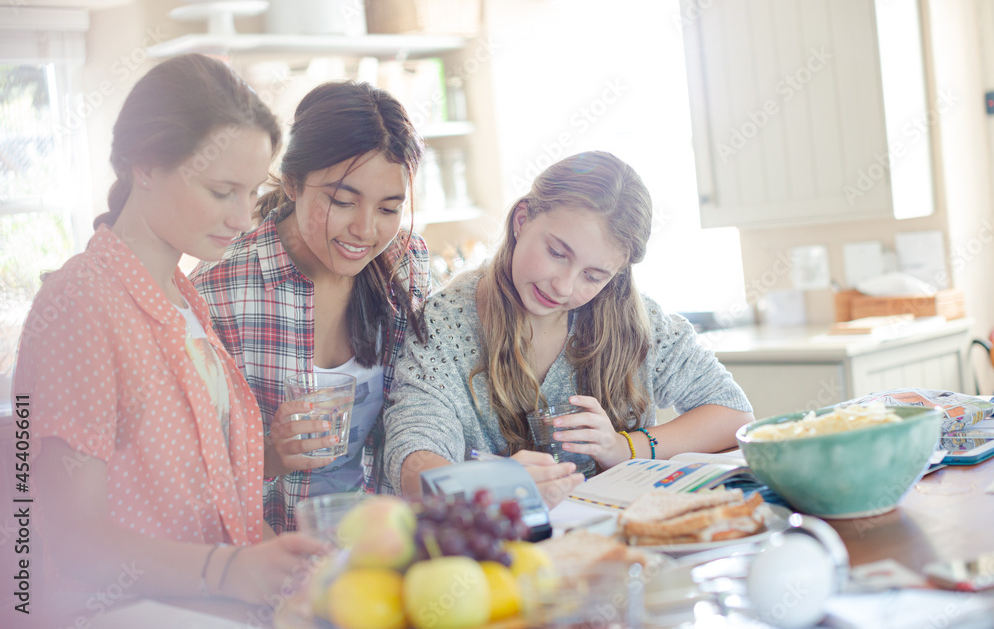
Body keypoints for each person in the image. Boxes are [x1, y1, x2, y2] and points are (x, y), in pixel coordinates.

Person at [11, 54, 325, 622]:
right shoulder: (80, 304)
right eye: (222, 189)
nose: (243, 217)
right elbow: (70, 539)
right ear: (145, 166)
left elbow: (185, 486)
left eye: (251, 192)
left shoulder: (183, 298)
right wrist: (231, 571)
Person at [383, 151, 755, 506]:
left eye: (593, 276)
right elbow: (412, 462)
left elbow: (733, 413)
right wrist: (490, 484)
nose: (564, 286)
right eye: (557, 253)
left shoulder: (633, 320)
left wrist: (624, 447)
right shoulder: (444, 326)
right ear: (522, 220)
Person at [190, 81, 428, 533]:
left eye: (388, 209)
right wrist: (268, 456)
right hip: (272, 558)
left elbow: (417, 407)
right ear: (294, 183)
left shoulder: (407, 264)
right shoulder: (218, 290)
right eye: (342, 201)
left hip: (386, 547)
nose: (365, 230)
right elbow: (183, 475)